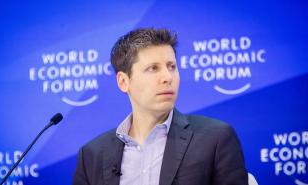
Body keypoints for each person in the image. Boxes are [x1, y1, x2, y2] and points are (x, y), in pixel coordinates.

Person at [73, 28, 248, 185]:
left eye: (171, 67)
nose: (167, 77)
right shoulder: (92, 155)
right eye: (153, 68)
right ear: (124, 81)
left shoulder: (215, 139)